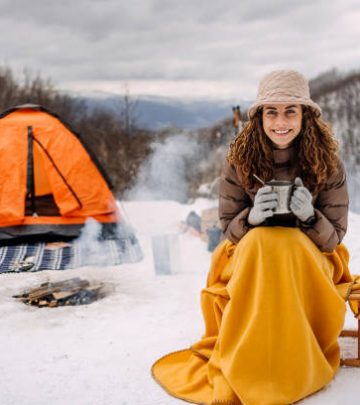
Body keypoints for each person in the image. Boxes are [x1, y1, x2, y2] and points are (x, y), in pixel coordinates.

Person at [151, 70, 356, 405]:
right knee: (264, 244)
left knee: (282, 246)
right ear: (259, 117)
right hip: (251, 256)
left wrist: (309, 216)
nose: (281, 122)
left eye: (291, 111)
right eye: (271, 112)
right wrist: (253, 217)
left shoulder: (328, 162)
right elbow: (228, 230)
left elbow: (333, 239)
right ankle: (257, 362)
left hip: (309, 260)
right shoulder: (239, 160)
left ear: (306, 116)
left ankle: (285, 363)